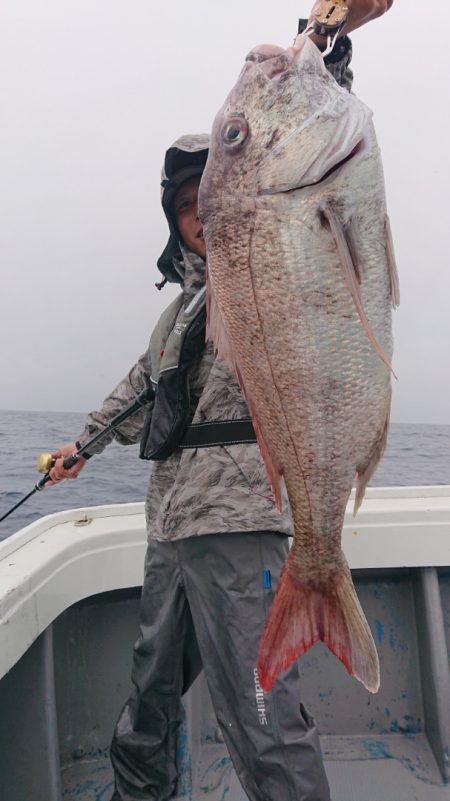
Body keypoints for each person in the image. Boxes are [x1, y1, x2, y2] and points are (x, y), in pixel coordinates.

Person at [49, 4, 394, 799]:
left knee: (260, 712)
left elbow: (311, 139)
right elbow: (139, 389)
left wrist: (328, 46)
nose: (197, 217)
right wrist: (83, 447)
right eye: (184, 208)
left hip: (240, 519)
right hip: (171, 522)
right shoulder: (181, 313)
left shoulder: (270, 261)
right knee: (148, 701)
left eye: (202, 198)